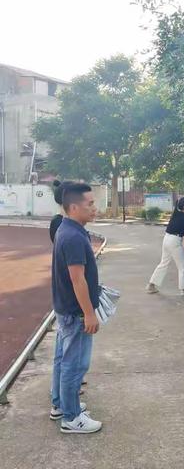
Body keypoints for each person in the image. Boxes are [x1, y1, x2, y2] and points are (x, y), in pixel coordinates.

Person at [50, 183, 101, 434]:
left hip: (66, 309)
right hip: (75, 312)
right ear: (73, 207)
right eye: (89, 204)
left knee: (63, 359)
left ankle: (61, 404)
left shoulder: (69, 229)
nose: (94, 208)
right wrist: (89, 313)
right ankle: (71, 417)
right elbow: (77, 278)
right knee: (74, 364)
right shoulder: (71, 235)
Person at [146, 197, 184, 296]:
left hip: (167, 239)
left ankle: (151, 285)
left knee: (163, 263)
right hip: (174, 241)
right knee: (183, 266)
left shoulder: (176, 213)